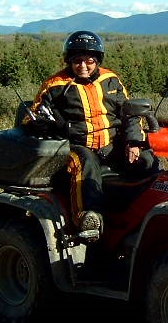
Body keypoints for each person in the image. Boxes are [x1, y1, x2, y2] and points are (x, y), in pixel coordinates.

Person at [24, 30, 150, 240]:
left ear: (97, 60)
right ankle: (88, 218)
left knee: (147, 159)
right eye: (77, 61)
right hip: (74, 147)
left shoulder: (111, 80)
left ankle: (144, 215)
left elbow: (130, 113)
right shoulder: (54, 85)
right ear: (69, 61)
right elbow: (32, 118)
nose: (83, 66)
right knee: (86, 161)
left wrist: (134, 142)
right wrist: (44, 125)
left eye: (89, 60)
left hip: (110, 145)